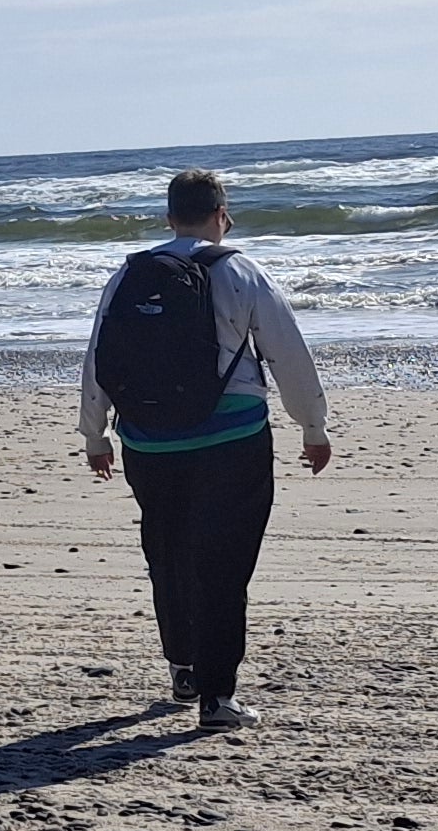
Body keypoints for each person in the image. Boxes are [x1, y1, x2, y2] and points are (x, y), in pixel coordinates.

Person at [80, 167, 332, 732]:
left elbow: (99, 355)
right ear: (223, 213)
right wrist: (312, 427)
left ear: (169, 217)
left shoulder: (128, 274)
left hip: (148, 442)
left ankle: (184, 668)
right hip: (231, 440)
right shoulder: (241, 269)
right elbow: (288, 353)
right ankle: (218, 700)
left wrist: (94, 434)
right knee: (223, 564)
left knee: (167, 552)